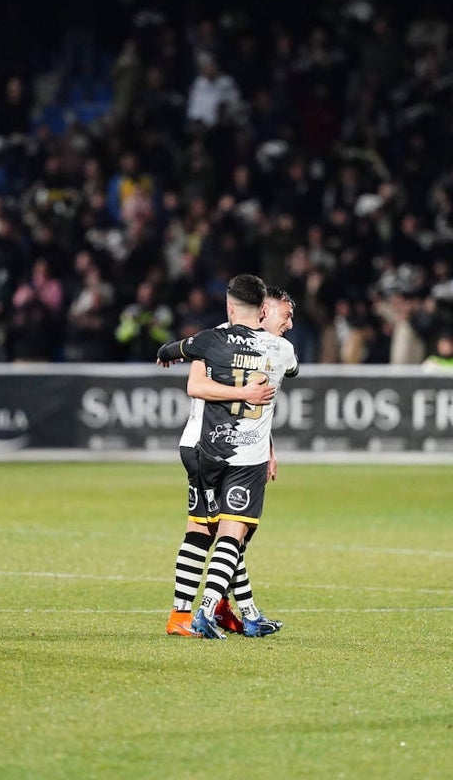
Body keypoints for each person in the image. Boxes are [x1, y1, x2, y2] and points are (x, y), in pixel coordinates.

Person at [156, 274, 299, 639]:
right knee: (223, 533)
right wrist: (246, 395)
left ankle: (235, 611)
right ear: (263, 310)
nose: (289, 324)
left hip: (223, 447)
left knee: (219, 532)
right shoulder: (239, 342)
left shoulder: (212, 339)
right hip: (210, 445)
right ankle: (204, 611)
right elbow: (196, 386)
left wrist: (269, 448)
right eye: (285, 315)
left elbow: (173, 351)